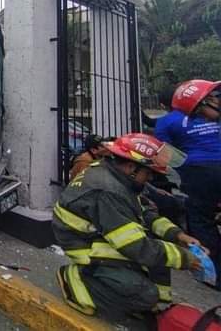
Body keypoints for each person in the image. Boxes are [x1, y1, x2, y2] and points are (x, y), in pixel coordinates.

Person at [53, 133, 204, 320]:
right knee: (145, 293)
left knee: (159, 255)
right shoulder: (109, 190)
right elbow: (135, 247)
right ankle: (76, 281)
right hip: (82, 243)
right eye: (147, 173)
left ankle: (156, 307)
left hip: (96, 231)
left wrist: (178, 236)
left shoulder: (116, 176)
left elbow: (145, 212)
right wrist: (185, 258)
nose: (149, 178)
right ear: (132, 167)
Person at [154, 79, 221, 289]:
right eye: (211, 98)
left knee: (201, 220)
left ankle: (215, 274)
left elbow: (162, 157)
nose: (217, 101)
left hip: (199, 174)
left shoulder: (167, 122)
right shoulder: (211, 120)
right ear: (197, 103)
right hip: (203, 172)